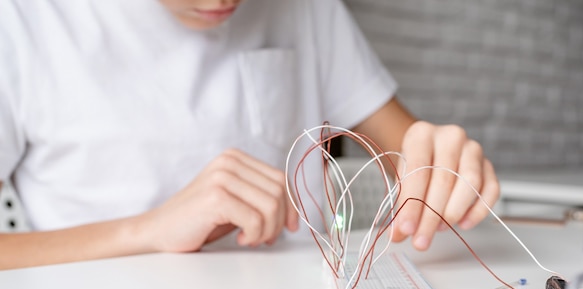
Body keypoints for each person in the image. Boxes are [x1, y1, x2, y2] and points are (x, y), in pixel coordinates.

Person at [0, 0, 499, 270]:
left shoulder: (307, 8)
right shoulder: (23, 22)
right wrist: (146, 230)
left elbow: (408, 149)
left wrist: (443, 162)